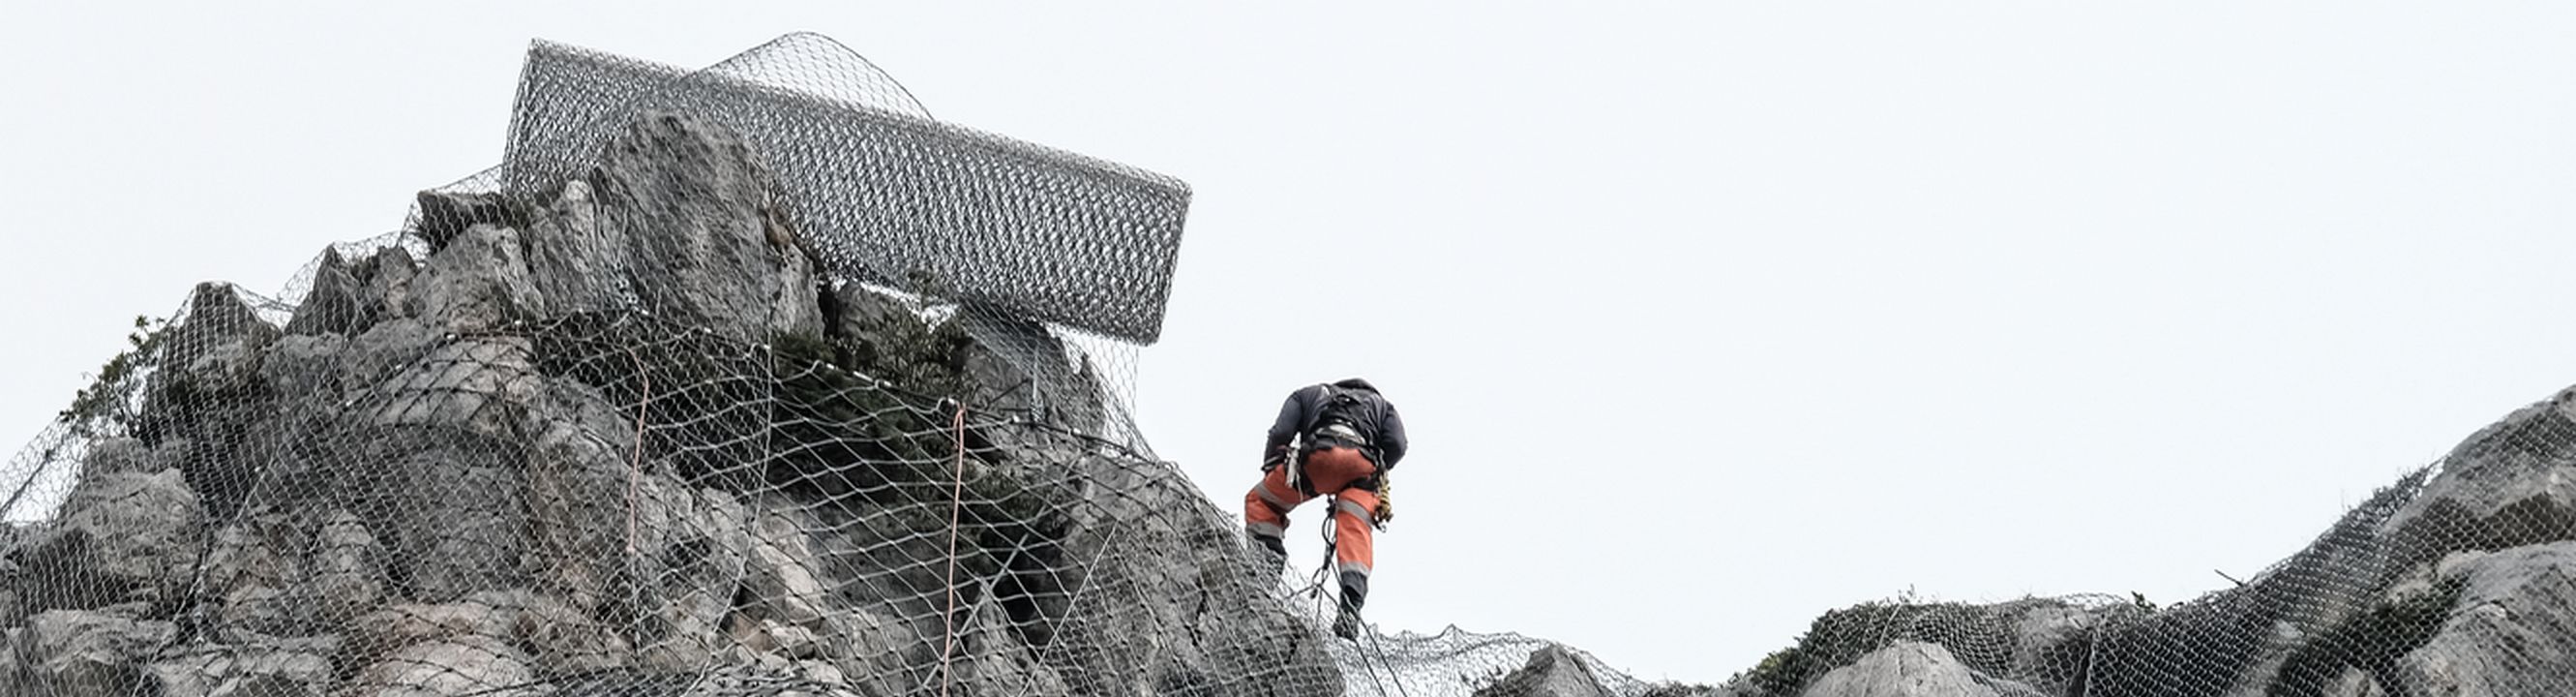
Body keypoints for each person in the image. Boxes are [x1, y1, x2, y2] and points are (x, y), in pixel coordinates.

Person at [1243, 378, 1409, 640]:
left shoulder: (1307, 393)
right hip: (1360, 470)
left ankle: (1266, 569)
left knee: (1261, 501)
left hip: (1316, 459)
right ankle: (1350, 607)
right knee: (1354, 529)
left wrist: (1271, 469)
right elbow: (1397, 445)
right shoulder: (1383, 406)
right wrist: (1375, 470)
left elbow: (1280, 433)